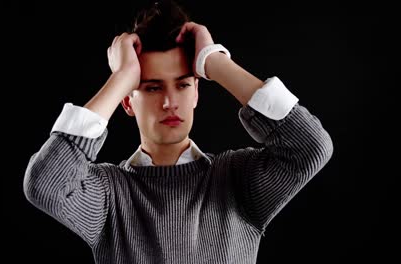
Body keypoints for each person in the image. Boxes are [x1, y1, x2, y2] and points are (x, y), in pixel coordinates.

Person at [23, 0, 333, 263]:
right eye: (153, 87)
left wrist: (214, 61)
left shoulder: (236, 181)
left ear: (196, 92)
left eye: (183, 84)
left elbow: (310, 147)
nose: (170, 102)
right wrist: (121, 77)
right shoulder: (108, 196)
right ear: (127, 103)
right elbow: (45, 184)